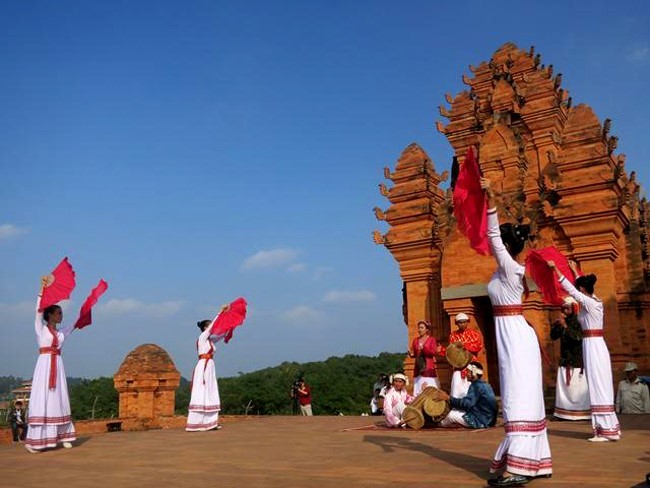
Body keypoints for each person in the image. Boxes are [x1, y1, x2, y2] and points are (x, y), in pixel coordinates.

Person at [480, 178, 552, 486]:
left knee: (517, 397)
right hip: (511, 334)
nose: (494, 249)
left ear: (508, 247)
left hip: (516, 336)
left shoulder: (510, 268)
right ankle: (536, 460)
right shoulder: (505, 271)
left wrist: (491, 198)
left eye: (500, 246)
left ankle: (521, 467)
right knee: (521, 394)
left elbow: (493, 237)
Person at [548, 261, 622, 442]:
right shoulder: (594, 300)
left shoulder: (590, 303)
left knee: (598, 385)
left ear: (582, 289)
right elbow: (579, 288)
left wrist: (555, 269)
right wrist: (574, 270)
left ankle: (604, 430)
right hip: (593, 344)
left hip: (593, 345)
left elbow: (573, 291)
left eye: (579, 288)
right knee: (599, 384)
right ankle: (610, 427)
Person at [25, 276, 77, 453]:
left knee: (59, 399)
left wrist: (85, 310)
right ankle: (36, 441)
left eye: (61, 313)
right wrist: (42, 290)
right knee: (43, 399)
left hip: (58, 365)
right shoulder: (41, 329)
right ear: (50, 315)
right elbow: (38, 311)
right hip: (45, 365)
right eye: (58, 313)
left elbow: (74, 325)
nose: (61, 316)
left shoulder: (61, 334)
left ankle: (65, 436)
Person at [186, 308, 228, 432]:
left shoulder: (209, 340)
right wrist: (220, 313)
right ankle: (197, 422)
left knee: (210, 391)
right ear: (205, 328)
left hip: (209, 365)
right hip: (203, 365)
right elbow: (213, 327)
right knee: (202, 391)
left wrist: (230, 326)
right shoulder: (202, 337)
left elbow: (221, 335)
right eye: (209, 326)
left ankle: (210, 423)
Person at [550, 296, 590, 420]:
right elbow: (553, 336)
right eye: (563, 309)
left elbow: (578, 337)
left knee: (577, 390)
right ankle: (563, 414)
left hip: (577, 362)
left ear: (573, 308)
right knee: (564, 390)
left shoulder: (580, 321)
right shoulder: (564, 321)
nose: (564, 311)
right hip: (565, 361)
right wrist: (557, 326)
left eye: (566, 308)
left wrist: (566, 326)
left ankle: (581, 414)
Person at [436, 362, 497, 429]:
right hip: (489, 420)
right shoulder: (485, 384)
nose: (466, 374)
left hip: (481, 421)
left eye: (468, 372)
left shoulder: (476, 386)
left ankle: (438, 424)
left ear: (473, 373)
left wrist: (448, 398)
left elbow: (467, 404)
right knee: (459, 412)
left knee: (451, 415)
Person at [441, 312, 484, 398]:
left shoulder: (473, 334)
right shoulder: (453, 335)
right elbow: (451, 351)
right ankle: (457, 404)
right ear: (457, 323)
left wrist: (465, 346)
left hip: (472, 364)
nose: (462, 324)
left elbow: (478, 346)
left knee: (473, 384)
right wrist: (441, 350)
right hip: (459, 366)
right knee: (457, 385)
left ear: (468, 322)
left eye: (464, 322)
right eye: (460, 322)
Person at [407, 320, 440, 396]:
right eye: (419, 328)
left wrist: (424, 349)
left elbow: (433, 352)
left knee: (430, 391)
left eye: (422, 328)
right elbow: (415, 354)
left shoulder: (431, 340)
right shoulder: (415, 340)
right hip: (418, 368)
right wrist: (411, 354)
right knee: (419, 392)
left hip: (428, 367)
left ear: (427, 329)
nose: (419, 330)